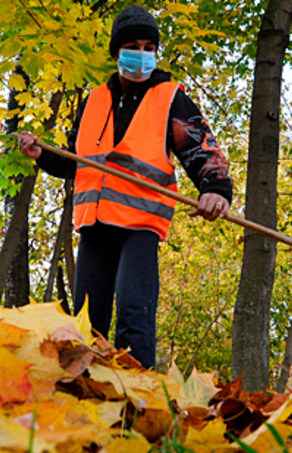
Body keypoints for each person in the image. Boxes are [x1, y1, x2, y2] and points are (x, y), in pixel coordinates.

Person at [17, 6, 233, 370]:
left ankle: (138, 402)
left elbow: (201, 148)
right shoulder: (95, 100)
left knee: (134, 314)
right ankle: (87, 399)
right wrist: (43, 155)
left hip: (141, 225)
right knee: (88, 321)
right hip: (95, 224)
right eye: (133, 45)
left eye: (149, 46)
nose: (142, 53)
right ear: (118, 52)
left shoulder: (170, 97)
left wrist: (216, 189)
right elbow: (75, 158)